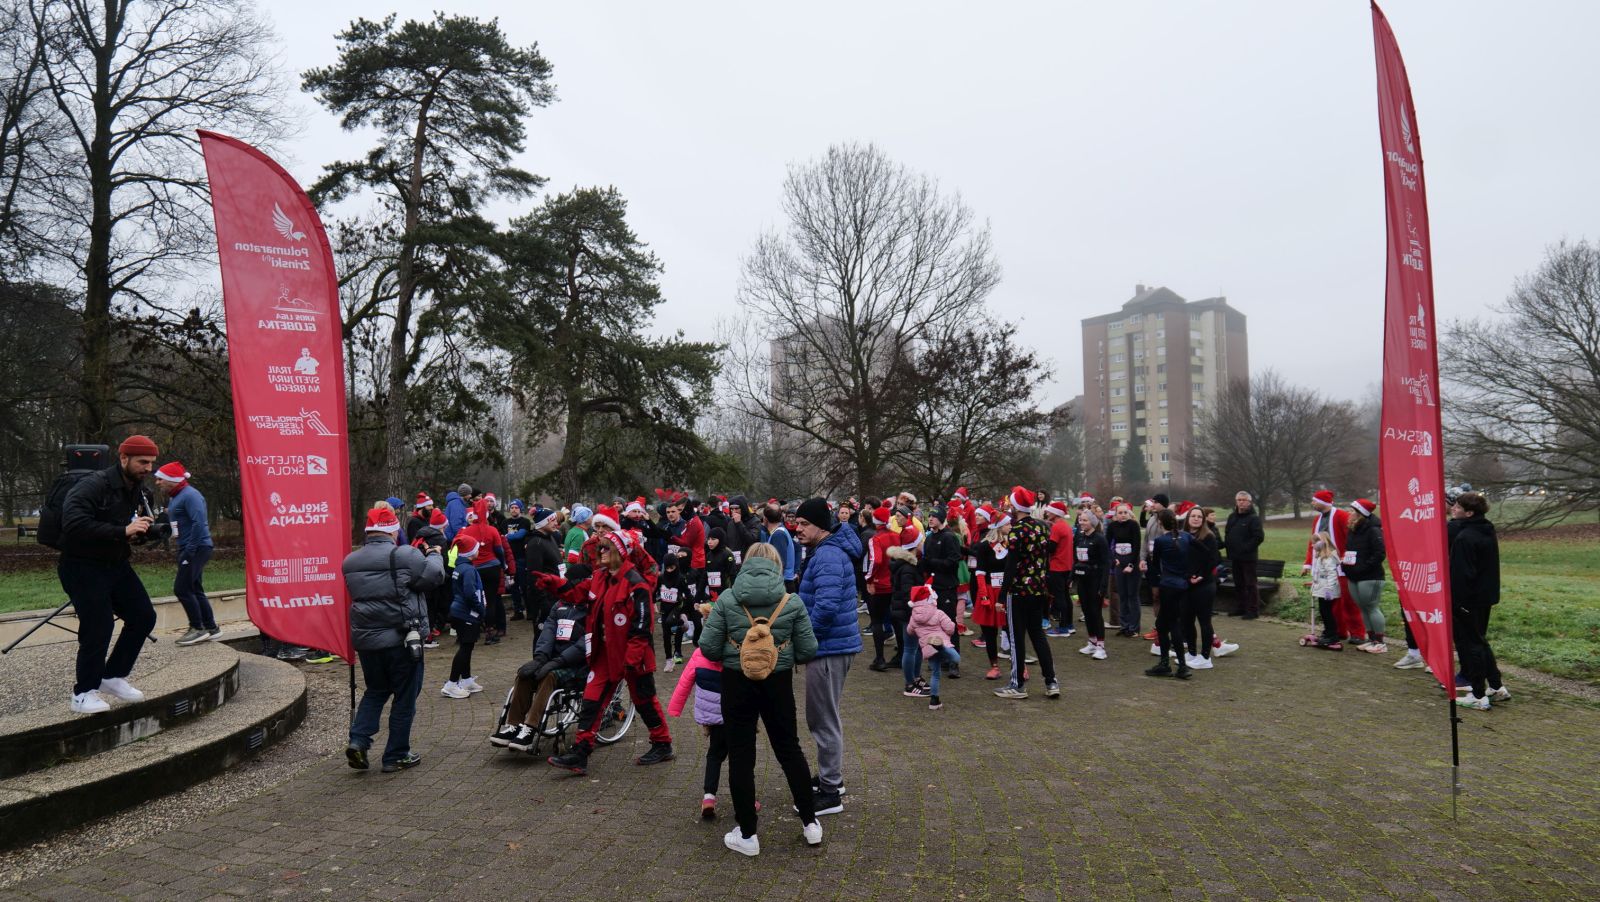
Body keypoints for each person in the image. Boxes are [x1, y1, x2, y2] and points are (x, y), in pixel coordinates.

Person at [698, 543, 822, 855]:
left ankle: (748, 834)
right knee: (789, 749)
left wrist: (737, 647)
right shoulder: (790, 602)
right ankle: (810, 824)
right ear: (778, 566)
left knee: (741, 755)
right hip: (777, 682)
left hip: (736, 682)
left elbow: (709, 648)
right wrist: (780, 651)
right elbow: (808, 650)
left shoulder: (727, 599)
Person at [542, 529, 674, 774]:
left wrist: (632, 658)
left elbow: (643, 626)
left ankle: (662, 742)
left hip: (633, 656)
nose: (599, 552)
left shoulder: (636, 584)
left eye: (605, 548)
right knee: (592, 699)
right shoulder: (598, 577)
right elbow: (575, 593)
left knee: (643, 699)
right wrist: (554, 584)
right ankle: (581, 751)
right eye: (600, 547)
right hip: (604, 652)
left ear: (619, 553)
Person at [57, 435, 163, 714]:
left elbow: (127, 529)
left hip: (115, 564)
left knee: (143, 616)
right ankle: (82, 694)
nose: (148, 468)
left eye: (151, 463)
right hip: (81, 566)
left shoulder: (139, 491)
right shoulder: (92, 485)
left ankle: (112, 677)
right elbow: (73, 523)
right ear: (123, 458)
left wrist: (140, 533)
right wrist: (121, 532)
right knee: (99, 626)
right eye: (142, 462)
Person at [344, 506, 445, 772]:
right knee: (405, 697)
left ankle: (358, 740)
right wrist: (435, 555)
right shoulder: (405, 555)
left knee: (376, 691)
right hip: (403, 639)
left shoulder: (350, 562)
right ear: (393, 530)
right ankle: (396, 755)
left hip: (367, 642)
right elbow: (433, 577)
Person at [790, 497, 863, 816]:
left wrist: (803, 639)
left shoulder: (829, 556)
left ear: (821, 525)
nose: (798, 528)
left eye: (804, 523)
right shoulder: (826, 552)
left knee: (823, 718)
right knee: (822, 716)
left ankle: (831, 791)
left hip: (830, 648)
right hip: (831, 646)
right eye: (798, 522)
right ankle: (831, 778)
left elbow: (826, 607)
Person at [490, 564, 592, 752]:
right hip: (552, 658)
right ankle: (513, 725)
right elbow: (548, 632)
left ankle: (530, 728)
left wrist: (558, 661)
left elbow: (584, 643)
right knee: (525, 674)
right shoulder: (559, 605)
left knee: (549, 676)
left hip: (576, 663)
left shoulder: (590, 608)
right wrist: (541, 657)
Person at [994, 486, 1058, 700]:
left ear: (1014, 506)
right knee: (1038, 634)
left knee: (1016, 638)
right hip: (1038, 589)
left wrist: (1003, 595)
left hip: (1019, 590)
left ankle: (1017, 684)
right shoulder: (1041, 527)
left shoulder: (1016, 531)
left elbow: (1011, 565)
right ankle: (1051, 681)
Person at [1451, 492, 1507, 710]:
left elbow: (1461, 574)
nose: (1453, 509)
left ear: (1469, 513)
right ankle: (1495, 685)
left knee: (1471, 644)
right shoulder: (1486, 529)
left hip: (1469, 600)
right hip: (1485, 596)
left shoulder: (1465, 537)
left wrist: (1458, 602)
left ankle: (1477, 693)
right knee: (1480, 641)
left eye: (1457, 507)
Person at [154, 461, 218, 647]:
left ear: (172, 480)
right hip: (189, 547)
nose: (157, 482)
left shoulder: (191, 495)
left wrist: (189, 550)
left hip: (197, 548)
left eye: (160, 479)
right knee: (195, 588)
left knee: (181, 589)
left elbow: (199, 523)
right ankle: (211, 628)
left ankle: (197, 629)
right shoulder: (176, 496)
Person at [1303, 490, 1366, 645]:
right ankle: (1338, 631)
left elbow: (1350, 538)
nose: (1312, 503)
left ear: (1324, 502)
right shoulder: (1317, 520)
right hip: (1324, 566)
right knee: (1332, 603)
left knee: (1348, 601)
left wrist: (1347, 558)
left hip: (1341, 566)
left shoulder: (1341, 516)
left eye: (1315, 501)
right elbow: (1313, 543)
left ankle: (1358, 633)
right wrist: (1308, 563)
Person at [1144, 509, 1193, 679]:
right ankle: (1166, 663)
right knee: (1163, 625)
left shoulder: (1161, 541)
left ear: (1159, 523)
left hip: (1168, 586)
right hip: (1183, 585)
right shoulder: (1186, 537)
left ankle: (1179, 666)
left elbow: (1156, 565)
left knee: (1171, 625)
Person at [442, 534, 487, 698]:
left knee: (467, 646)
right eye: (476, 548)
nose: (479, 550)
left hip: (460, 612)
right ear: (470, 552)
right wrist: (480, 609)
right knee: (465, 648)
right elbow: (469, 593)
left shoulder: (460, 567)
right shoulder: (468, 569)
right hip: (466, 613)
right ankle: (452, 683)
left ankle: (466, 679)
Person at [1343, 499, 1388, 653]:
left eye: (1352, 510)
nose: (1349, 513)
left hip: (1370, 576)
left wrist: (1363, 567)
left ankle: (1380, 643)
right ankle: (1371, 640)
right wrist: (1346, 565)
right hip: (1353, 575)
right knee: (1363, 607)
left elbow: (1380, 553)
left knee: (1372, 606)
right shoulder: (1352, 529)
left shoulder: (1374, 530)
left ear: (1360, 513)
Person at [906, 583, 960, 709]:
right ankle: (941, 648)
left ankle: (934, 701)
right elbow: (950, 628)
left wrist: (918, 631)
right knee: (955, 658)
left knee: (936, 673)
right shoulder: (938, 612)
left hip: (927, 648)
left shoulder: (913, 617)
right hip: (941, 641)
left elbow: (910, 631)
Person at [887, 526, 927, 697]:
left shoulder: (906, 565)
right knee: (910, 648)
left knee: (916, 647)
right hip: (908, 613)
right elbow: (908, 593)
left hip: (906, 611)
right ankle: (909, 683)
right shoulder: (908, 568)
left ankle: (915, 677)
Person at [1180, 506, 1221, 671]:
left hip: (1204, 584)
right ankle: (1191, 653)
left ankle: (1205, 657)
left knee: (1204, 621)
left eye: (1199, 516)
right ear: (1188, 518)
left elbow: (1213, 559)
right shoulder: (1182, 536)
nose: (1196, 519)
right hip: (1186, 583)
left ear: (1203, 520)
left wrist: (1201, 575)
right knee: (1186, 620)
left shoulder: (1208, 537)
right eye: (1193, 516)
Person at [864, 506, 898, 671]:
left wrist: (869, 579)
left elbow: (875, 561)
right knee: (896, 619)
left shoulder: (875, 539)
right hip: (894, 583)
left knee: (877, 620)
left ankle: (880, 658)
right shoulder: (897, 536)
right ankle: (901, 654)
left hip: (879, 585)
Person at [1073, 508, 1110, 660]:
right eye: (1080, 520)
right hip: (1083, 580)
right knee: (1087, 612)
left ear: (1092, 522)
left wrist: (1103, 585)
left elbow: (1106, 563)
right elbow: (1076, 560)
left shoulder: (1100, 539)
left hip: (1095, 580)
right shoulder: (1079, 537)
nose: (1082, 523)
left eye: (1085, 520)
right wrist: (1071, 577)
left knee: (1095, 613)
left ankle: (1101, 646)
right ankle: (1092, 641)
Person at [1223, 491, 1265, 619]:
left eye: (1243, 500)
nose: (1241, 502)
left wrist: (1245, 548)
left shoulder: (1253, 519)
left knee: (1250, 584)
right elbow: (1228, 533)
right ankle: (1241, 607)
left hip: (1248, 558)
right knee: (1239, 583)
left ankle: (1253, 610)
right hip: (1235, 557)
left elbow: (1258, 537)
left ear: (1249, 502)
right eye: (1239, 500)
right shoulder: (1232, 517)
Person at [1106, 503, 1143, 637]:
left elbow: (1137, 546)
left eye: (1125, 512)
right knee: (1122, 595)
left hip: (1132, 562)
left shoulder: (1133, 525)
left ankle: (1134, 628)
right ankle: (1124, 625)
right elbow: (1107, 543)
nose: (1122, 515)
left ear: (1129, 513)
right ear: (1116, 514)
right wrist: (1113, 559)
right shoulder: (1112, 526)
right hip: (1119, 563)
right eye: (1120, 513)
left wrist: (1132, 565)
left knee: (1132, 595)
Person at [1042, 500, 1076, 638]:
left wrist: (1042, 542)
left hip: (1057, 566)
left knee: (1060, 597)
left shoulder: (1057, 528)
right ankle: (1068, 625)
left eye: (1050, 511)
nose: (1047, 512)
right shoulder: (1065, 526)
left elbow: (1051, 548)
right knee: (1066, 597)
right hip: (1067, 565)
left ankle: (1062, 628)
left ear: (1056, 513)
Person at [1306, 532, 1344, 649]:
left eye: (1314, 543)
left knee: (1326, 612)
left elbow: (1331, 574)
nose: (1312, 546)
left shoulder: (1328, 557)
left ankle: (1332, 635)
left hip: (1327, 589)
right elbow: (1319, 573)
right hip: (1321, 588)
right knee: (1324, 611)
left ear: (1321, 543)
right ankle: (1328, 632)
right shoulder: (1320, 556)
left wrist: (1329, 589)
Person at [503, 500, 533, 620]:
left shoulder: (524, 522)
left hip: (521, 558)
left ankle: (530, 611)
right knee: (513, 586)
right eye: (512, 508)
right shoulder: (505, 522)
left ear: (520, 509)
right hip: (509, 558)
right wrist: (508, 537)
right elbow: (502, 538)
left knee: (524, 585)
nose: (514, 509)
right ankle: (518, 611)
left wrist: (508, 536)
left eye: (516, 507)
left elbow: (520, 535)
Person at [763, 506, 797, 592]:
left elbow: (780, 563)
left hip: (783, 583)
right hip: (783, 581)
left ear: (765, 518)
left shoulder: (778, 534)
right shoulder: (780, 531)